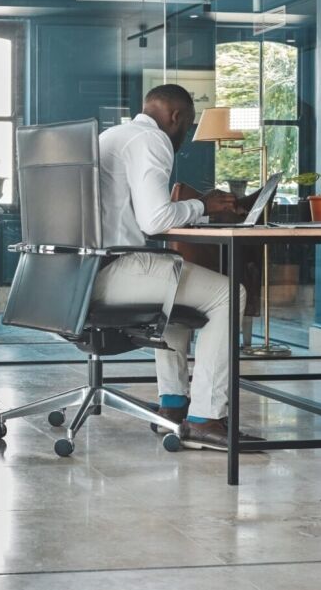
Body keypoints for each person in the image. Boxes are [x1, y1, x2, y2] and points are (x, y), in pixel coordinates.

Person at [91, 84, 264, 451]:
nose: (185, 133)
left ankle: (173, 406)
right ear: (177, 117)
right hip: (113, 269)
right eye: (187, 124)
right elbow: (156, 221)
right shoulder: (152, 140)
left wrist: (199, 205)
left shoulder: (113, 135)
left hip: (80, 273)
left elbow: (138, 214)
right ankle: (206, 418)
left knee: (173, 285)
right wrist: (204, 207)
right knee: (230, 294)